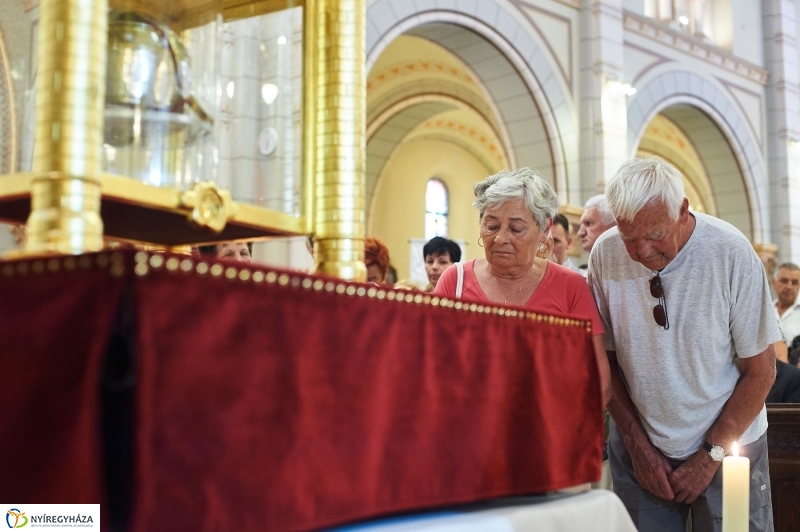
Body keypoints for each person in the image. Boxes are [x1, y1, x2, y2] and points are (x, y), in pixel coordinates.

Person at [588, 157, 779, 531]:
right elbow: (605, 362)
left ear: (682, 210)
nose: (641, 251)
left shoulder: (730, 252)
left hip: (730, 443)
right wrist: (639, 447)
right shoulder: (605, 253)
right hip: (641, 442)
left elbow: (762, 371)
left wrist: (710, 456)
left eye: (655, 234)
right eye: (629, 237)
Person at [434, 167, 611, 405]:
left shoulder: (571, 288)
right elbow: (431, 366)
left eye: (516, 228)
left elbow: (599, 381)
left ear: (544, 229)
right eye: (492, 226)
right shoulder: (454, 281)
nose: (500, 238)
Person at [772, 262, 800, 362]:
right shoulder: (762, 313)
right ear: (774, 283)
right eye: (784, 281)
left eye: (794, 282)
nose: (789, 286)